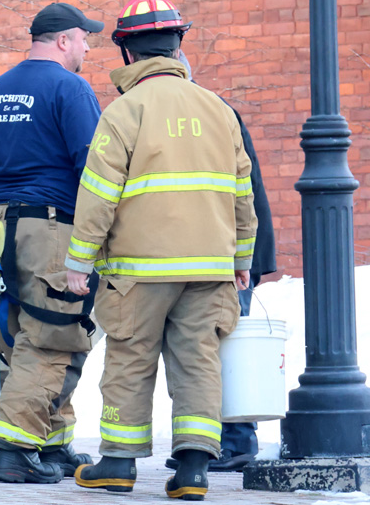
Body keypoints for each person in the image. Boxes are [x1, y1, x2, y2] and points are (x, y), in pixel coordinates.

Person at [66, 0, 257, 500]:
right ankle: (193, 472)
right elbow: (244, 193)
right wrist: (242, 260)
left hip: (139, 270)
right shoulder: (219, 110)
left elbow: (98, 196)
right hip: (210, 267)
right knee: (199, 361)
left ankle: (118, 465)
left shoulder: (124, 111)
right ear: (177, 44)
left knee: (130, 359)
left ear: (128, 52)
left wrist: (78, 262)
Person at [0, 2, 104, 484]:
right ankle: (14, 447)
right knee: (54, 335)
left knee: (23, 330)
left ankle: (53, 442)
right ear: (64, 40)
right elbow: (92, 168)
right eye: (85, 38)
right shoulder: (70, 88)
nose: (89, 46)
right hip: (50, 225)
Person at [162, 50, 278, 474]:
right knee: (204, 352)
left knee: (221, 349)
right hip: (222, 254)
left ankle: (235, 441)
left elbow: (241, 189)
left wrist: (247, 257)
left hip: (226, 257)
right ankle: (210, 443)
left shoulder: (206, 112)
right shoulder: (215, 111)